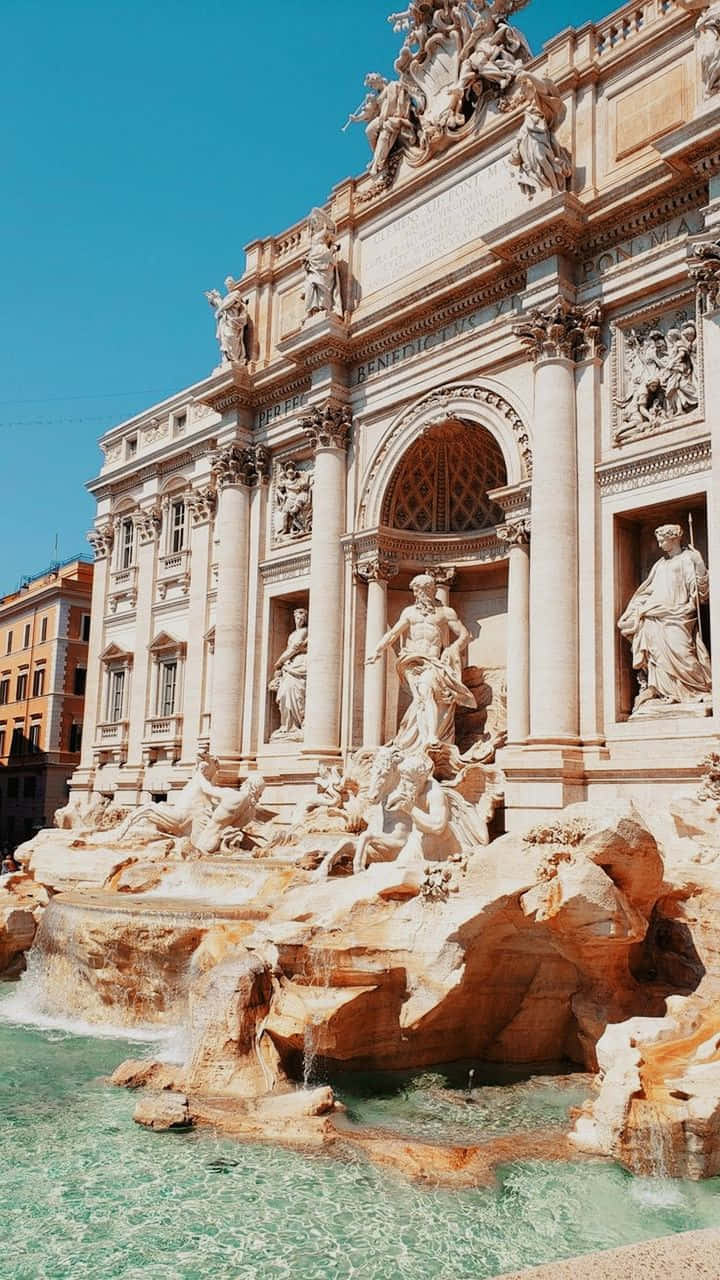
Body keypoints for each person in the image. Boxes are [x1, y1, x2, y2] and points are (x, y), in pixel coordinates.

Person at [367, 573, 475, 750]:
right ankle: (427, 736)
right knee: (422, 696)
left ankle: (422, 737)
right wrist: (377, 650)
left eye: (424, 590)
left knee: (425, 693)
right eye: (417, 590)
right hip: (411, 661)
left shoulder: (445, 613)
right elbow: (393, 634)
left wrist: (453, 648)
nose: (419, 594)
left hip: (432, 661)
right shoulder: (409, 613)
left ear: (433, 590)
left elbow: (465, 635)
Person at [618, 524, 712, 712]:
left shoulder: (687, 558)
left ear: (674, 538)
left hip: (678, 614)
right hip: (653, 615)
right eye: (659, 541)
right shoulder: (660, 564)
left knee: (683, 652)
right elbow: (648, 591)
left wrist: (700, 563)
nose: (660, 545)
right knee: (658, 658)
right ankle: (664, 692)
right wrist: (635, 610)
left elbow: (701, 591)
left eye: (662, 541)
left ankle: (699, 689)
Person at [269, 610, 309, 740]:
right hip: (290, 665)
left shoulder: (304, 631)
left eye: (302, 618)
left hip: (299, 664)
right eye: (297, 617)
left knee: (296, 695)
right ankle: (287, 726)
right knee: (284, 694)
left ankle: (296, 725)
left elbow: (294, 648)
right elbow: (289, 650)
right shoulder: (292, 634)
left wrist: (279, 662)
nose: (299, 620)